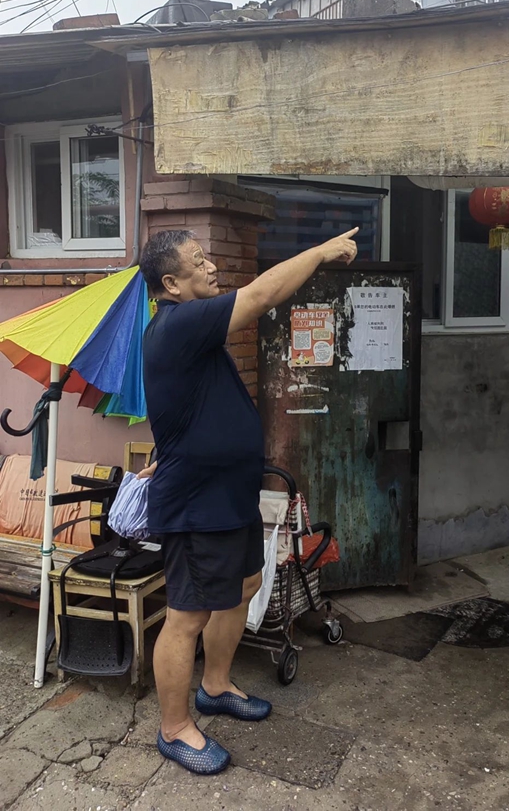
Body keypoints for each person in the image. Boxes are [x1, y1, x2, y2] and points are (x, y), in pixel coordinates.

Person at [138, 227, 358, 775]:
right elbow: (260, 295)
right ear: (172, 283)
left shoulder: (192, 330)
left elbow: (184, 404)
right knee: (187, 615)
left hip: (229, 492)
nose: (211, 266)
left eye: (208, 257)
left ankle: (215, 686)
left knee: (244, 586)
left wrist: (171, 448)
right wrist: (319, 252)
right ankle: (174, 729)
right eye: (198, 261)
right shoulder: (178, 321)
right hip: (196, 502)